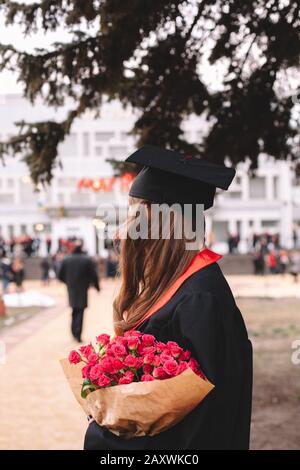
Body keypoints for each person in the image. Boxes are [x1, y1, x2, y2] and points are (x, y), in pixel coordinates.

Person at [84, 145, 252, 450]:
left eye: (137, 211)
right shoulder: (184, 287)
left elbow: (207, 422)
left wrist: (106, 441)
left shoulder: (201, 298)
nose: (127, 227)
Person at [58, 242, 100, 342]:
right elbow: (94, 275)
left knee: (74, 309)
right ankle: (77, 334)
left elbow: (60, 275)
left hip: (71, 288)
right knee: (80, 311)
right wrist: (96, 287)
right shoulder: (86, 260)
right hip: (82, 288)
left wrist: (68, 282)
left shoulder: (66, 259)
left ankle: (73, 331)